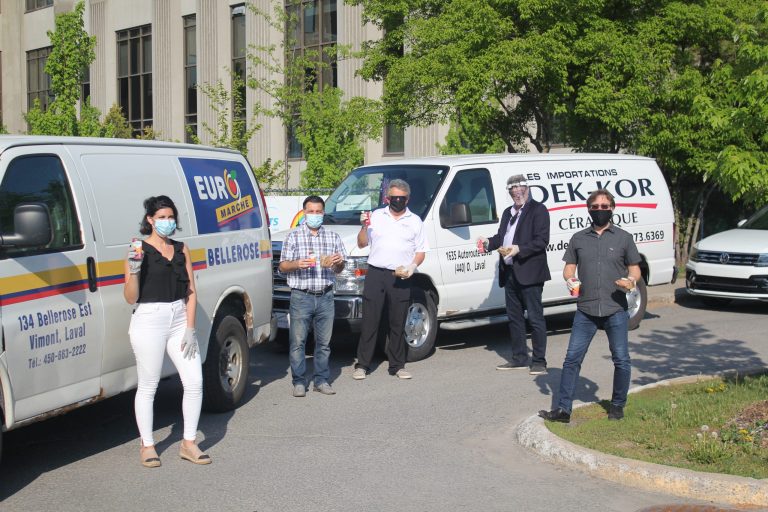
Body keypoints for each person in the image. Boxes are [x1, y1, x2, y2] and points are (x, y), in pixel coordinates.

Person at [539, 189, 641, 423]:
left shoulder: (623, 238)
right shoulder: (578, 239)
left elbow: (634, 268)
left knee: (622, 359)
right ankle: (563, 410)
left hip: (615, 307)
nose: (600, 211)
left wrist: (631, 280)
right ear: (589, 210)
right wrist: (570, 279)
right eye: (596, 207)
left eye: (605, 207)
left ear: (612, 209)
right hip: (586, 309)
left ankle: (617, 405)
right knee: (572, 359)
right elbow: (569, 268)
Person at [123, 195, 210, 467]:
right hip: (149, 318)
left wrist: (191, 328)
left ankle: (188, 443)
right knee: (149, 385)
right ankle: (147, 445)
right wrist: (134, 271)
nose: (167, 222)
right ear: (149, 220)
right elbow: (130, 297)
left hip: (178, 319)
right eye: (161, 217)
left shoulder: (182, 249)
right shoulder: (137, 248)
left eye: (171, 217)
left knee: (194, 381)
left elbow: (191, 291)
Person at [353, 178, 428, 380]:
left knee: (398, 321)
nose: (397, 201)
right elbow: (361, 244)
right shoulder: (377, 216)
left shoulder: (415, 221)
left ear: (408, 199)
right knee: (371, 320)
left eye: (402, 198)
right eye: (394, 197)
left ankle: (397, 365)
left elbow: (421, 251)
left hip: (401, 274)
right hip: (376, 272)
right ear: (387, 198)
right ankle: (362, 365)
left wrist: (413, 266)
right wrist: (363, 227)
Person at [477, 174, 551, 375]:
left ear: (527, 189)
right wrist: (489, 243)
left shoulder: (539, 210)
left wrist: (519, 249)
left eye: (520, 189)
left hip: (530, 272)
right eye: (513, 190)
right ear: (510, 193)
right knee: (515, 318)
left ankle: (539, 362)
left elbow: (542, 241)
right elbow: (502, 237)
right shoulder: (508, 213)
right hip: (510, 272)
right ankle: (519, 358)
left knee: (535, 318)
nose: (517, 193)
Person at [278, 195, 346, 397]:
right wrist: (297, 264)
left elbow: (340, 269)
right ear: (304, 213)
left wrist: (337, 262)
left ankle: (321, 380)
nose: (315, 215)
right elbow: (282, 266)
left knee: (324, 343)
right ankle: (299, 381)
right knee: (297, 342)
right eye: (311, 212)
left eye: (318, 212)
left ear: (323, 213)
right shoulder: (293, 237)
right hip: (301, 295)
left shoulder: (333, 237)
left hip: (325, 295)